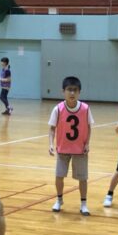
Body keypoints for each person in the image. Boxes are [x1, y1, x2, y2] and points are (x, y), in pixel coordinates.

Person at [48, 76, 94, 216]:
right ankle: (59, 200)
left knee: (83, 178)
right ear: (63, 91)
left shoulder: (85, 109)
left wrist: (87, 143)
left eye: (75, 90)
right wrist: (50, 144)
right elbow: (52, 128)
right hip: (63, 149)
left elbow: (89, 127)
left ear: (79, 92)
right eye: (69, 90)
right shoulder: (58, 109)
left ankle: (84, 204)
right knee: (59, 176)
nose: (72, 93)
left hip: (80, 149)